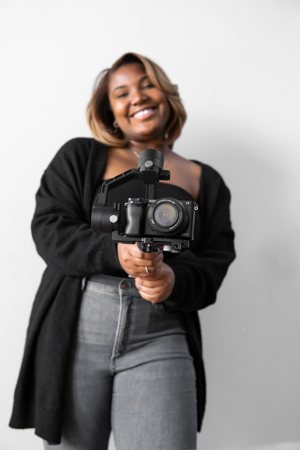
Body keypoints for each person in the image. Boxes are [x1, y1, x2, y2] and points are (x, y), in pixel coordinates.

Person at [9, 52, 235, 450]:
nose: (138, 97)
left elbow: (213, 266)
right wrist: (117, 254)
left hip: (161, 334)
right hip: (76, 332)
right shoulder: (79, 157)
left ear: (166, 94)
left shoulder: (206, 180)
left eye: (147, 84)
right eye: (121, 92)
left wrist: (172, 280)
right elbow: (49, 229)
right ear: (110, 111)